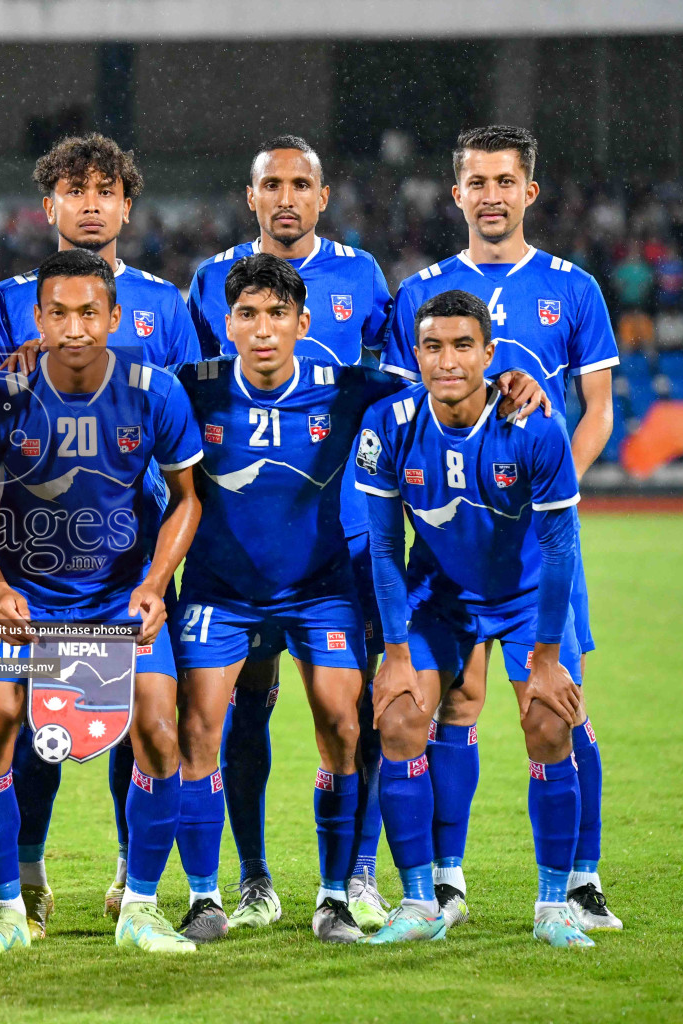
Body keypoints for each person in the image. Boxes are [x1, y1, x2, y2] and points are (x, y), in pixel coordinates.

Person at [171, 255, 548, 945]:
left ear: (302, 323)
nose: (262, 330)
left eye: (277, 315)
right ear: (227, 325)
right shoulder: (191, 388)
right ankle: (204, 897)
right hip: (220, 591)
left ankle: (334, 897)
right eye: (248, 315)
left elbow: (444, 379)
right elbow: (112, 400)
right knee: (198, 726)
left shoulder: (349, 387)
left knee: (344, 727)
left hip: (320, 589)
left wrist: (502, 382)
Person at [380, 126, 621, 932]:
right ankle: (442, 882)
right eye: (476, 182)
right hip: (447, 551)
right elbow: (401, 414)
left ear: (529, 192)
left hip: (535, 538)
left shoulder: (573, 287)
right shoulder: (419, 291)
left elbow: (599, 413)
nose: (490, 194)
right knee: (452, 703)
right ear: (456, 195)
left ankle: (579, 880)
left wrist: (545, 492)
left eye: (504, 181)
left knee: (559, 701)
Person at [0, 134, 200, 933]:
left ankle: (135, 890)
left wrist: (159, 580)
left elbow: (191, 440)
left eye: (107, 189)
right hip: (33, 566)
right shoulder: (3, 305)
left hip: (126, 563)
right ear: (50, 204)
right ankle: (21, 884)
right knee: (20, 734)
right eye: (75, 188)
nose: (92, 202)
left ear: (127, 205)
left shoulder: (167, 308)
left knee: (143, 732)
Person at [184, 134, 396, 931]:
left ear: (322, 194)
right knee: (235, 715)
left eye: (299, 183)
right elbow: (185, 400)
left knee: (350, 716)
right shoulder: (211, 280)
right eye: (269, 183)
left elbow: (407, 387)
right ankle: (248, 881)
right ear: (250, 196)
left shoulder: (364, 275)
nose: (284, 197)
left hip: (337, 544)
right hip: (233, 546)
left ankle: (354, 879)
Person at [356, 289, 593, 950]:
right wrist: (397, 651)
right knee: (401, 716)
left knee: (549, 723)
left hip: (523, 601)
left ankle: (553, 906)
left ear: (490, 355)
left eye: (463, 345)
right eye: (432, 345)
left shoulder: (534, 427)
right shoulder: (386, 424)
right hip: (440, 601)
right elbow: (382, 546)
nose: (447, 359)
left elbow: (559, 546)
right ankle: (420, 898)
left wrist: (546, 656)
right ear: (415, 353)